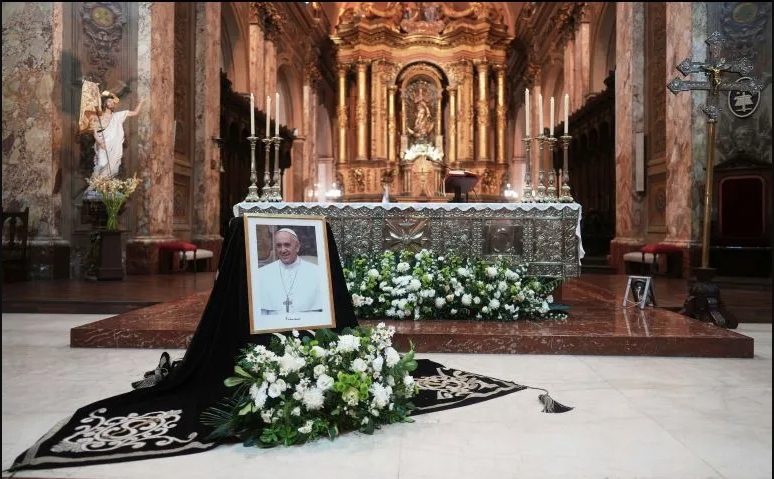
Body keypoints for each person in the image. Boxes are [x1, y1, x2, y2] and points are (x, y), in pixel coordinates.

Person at [257, 228, 323, 315]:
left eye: (287, 245)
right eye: (279, 245)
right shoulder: (262, 274)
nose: (282, 250)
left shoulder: (317, 272)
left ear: (297, 247)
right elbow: (261, 314)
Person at [92, 91, 145, 178]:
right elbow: (95, 133)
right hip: (103, 145)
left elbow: (135, 113)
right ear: (104, 103)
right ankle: (96, 184)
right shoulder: (99, 117)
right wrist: (100, 142)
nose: (111, 103)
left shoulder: (117, 116)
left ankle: (105, 185)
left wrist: (141, 102)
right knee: (101, 164)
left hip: (115, 147)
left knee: (113, 169)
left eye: (112, 102)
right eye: (109, 101)